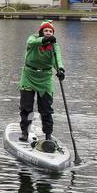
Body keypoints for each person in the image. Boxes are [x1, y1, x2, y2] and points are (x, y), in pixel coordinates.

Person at [19, 20, 66, 151]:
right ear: (41, 32)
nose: (48, 33)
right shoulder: (33, 39)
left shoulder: (54, 45)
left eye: (50, 32)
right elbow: (31, 42)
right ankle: (25, 132)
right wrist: (44, 40)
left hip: (45, 79)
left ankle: (48, 135)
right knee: (27, 107)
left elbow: (58, 60)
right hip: (29, 76)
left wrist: (60, 70)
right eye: (46, 31)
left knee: (46, 109)